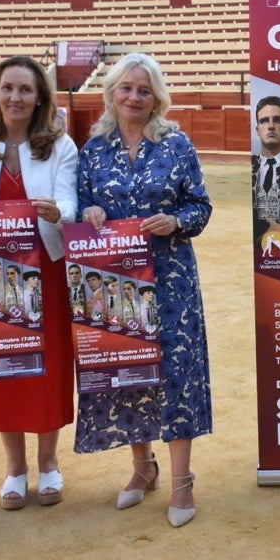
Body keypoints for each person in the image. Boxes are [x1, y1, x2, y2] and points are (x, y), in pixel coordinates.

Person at [76, 53, 212, 528]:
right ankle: (142, 469)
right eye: (127, 88)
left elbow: (201, 205)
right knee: (128, 369)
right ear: (113, 92)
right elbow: (81, 204)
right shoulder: (94, 149)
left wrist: (176, 219)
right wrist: (89, 213)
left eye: (144, 89)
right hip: (117, 278)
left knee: (176, 371)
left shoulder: (176, 143)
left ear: (157, 97)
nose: (134, 97)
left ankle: (181, 481)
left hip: (171, 276)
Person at [0, 55, 78, 512]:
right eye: (7, 88)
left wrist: (59, 212)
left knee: (45, 366)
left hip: (44, 268)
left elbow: (68, 197)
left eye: (25, 90)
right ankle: (14, 469)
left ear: (40, 97)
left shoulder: (59, 146)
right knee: (1, 366)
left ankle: (49, 463)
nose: (15, 97)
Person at [251, 96, 280, 254]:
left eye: (277, 120)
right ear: (257, 130)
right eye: (264, 121)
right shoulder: (248, 166)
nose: (270, 126)